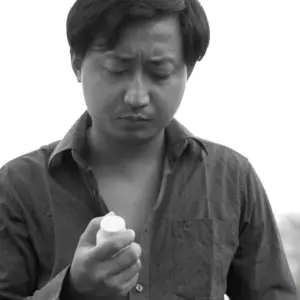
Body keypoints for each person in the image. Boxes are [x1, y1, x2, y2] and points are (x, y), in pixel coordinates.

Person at [0, 0, 297, 299]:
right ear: (77, 62)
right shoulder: (19, 186)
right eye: (117, 69)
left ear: (188, 71)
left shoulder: (231, 178)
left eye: (160, 72)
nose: (137, 96)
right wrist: (73, 290)